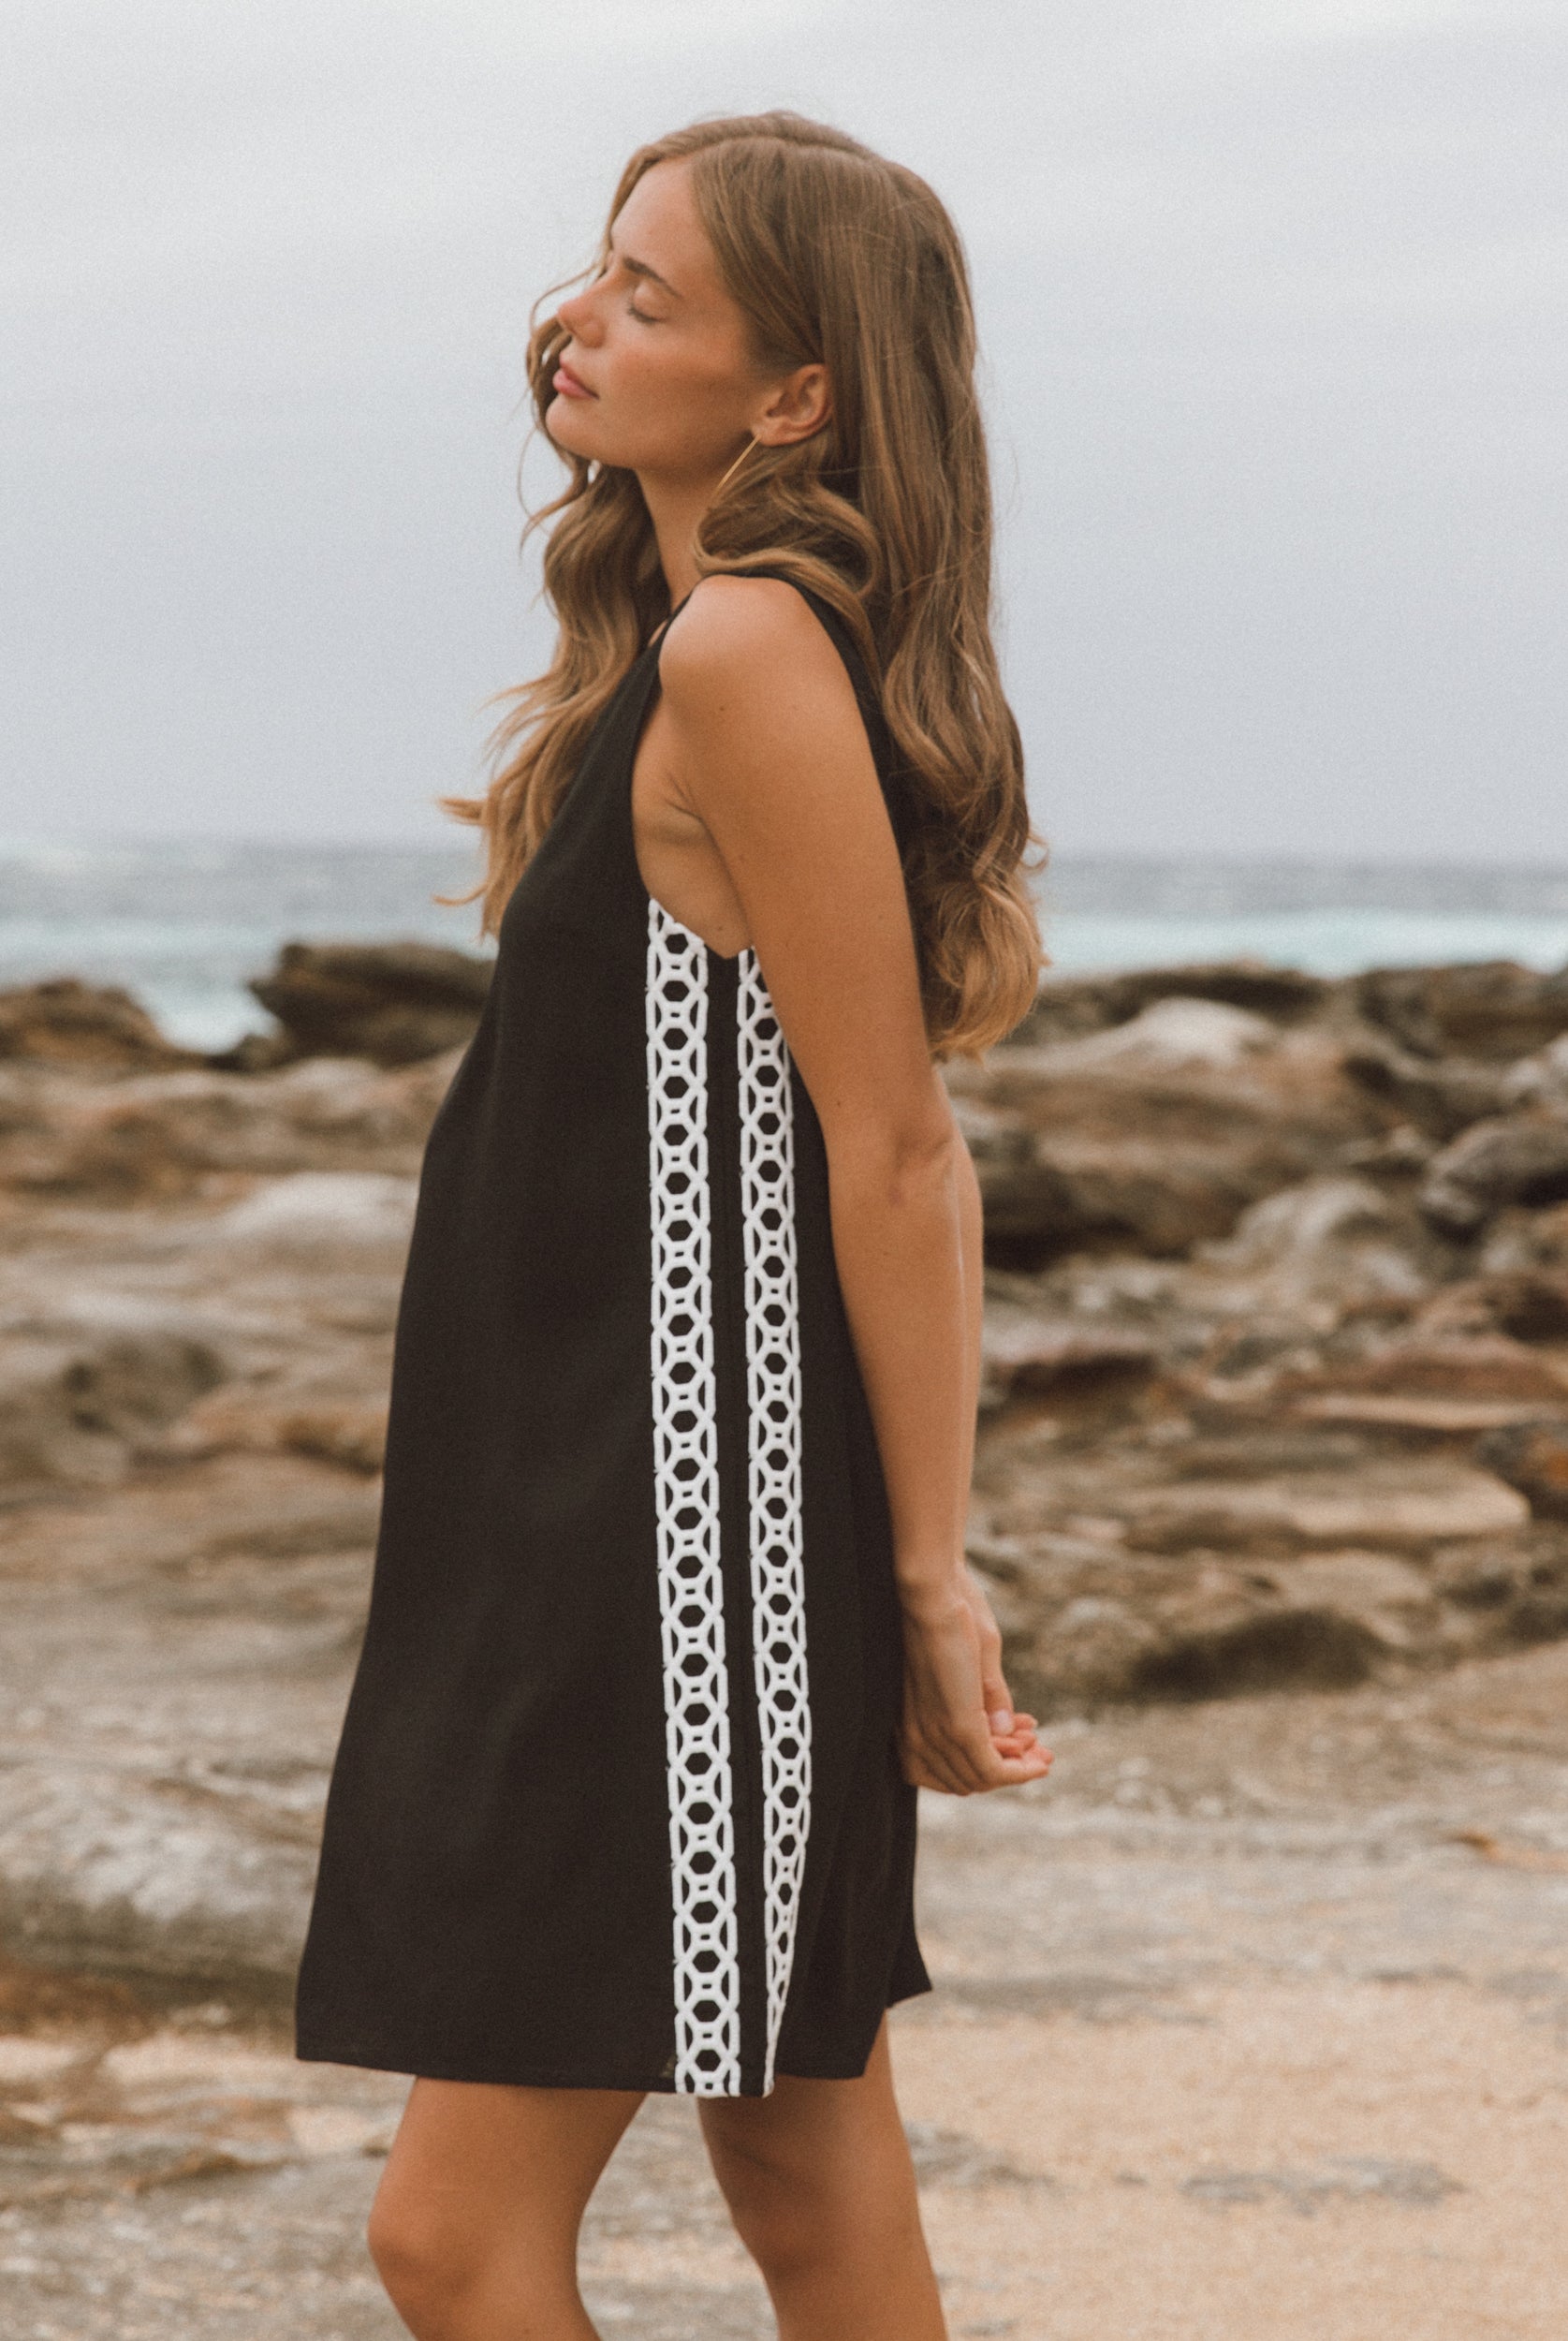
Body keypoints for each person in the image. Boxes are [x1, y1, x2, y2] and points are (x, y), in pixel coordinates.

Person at [294, 110, 1053, 2341]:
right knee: (803, 2174)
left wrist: (924, 1574)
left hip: (683, 1543)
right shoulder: (693, 641)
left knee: (453, 2231)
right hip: (596, 1519)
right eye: (591, 270)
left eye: (652, 293)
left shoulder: (744, 655)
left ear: (797, 393)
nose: (580, 318)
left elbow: (895, 1143)